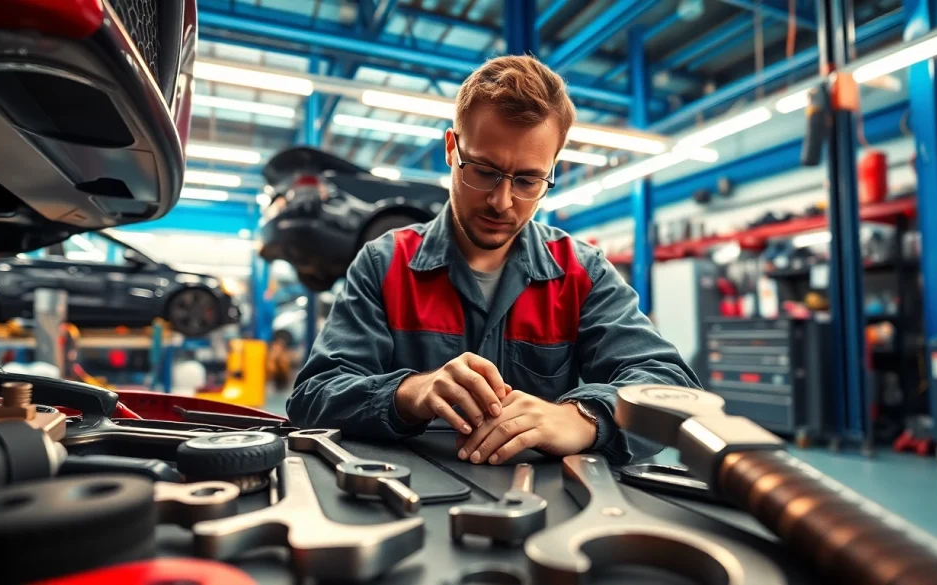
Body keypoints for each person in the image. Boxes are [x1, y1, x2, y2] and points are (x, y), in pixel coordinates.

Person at [287, 55, 700, 465]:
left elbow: (674, 391)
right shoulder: (384, 263)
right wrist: (409, 393)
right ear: (451, 149)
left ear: (551, 170)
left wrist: (585, 418)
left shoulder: (581, 273)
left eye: (528, 180)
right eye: (483, 172)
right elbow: (313, 396)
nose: (501, 201)